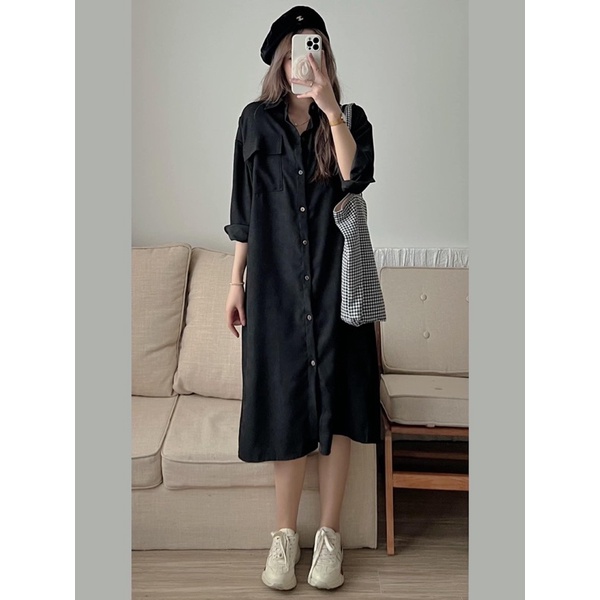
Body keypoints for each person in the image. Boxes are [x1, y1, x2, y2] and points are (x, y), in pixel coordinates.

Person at [224, 5, 380, 591]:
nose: (303, 60)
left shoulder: (351, 119)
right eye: (294, 50)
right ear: (280, 60)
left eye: (313, 47)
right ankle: (285, 537)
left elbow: (354, 178)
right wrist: (235, 283)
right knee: (285, 402)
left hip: (337, 288)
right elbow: (243, 211)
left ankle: (330, 539)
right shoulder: (254, 122)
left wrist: (330, 109)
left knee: (337, 406)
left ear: (325, 55)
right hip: (275, 290)